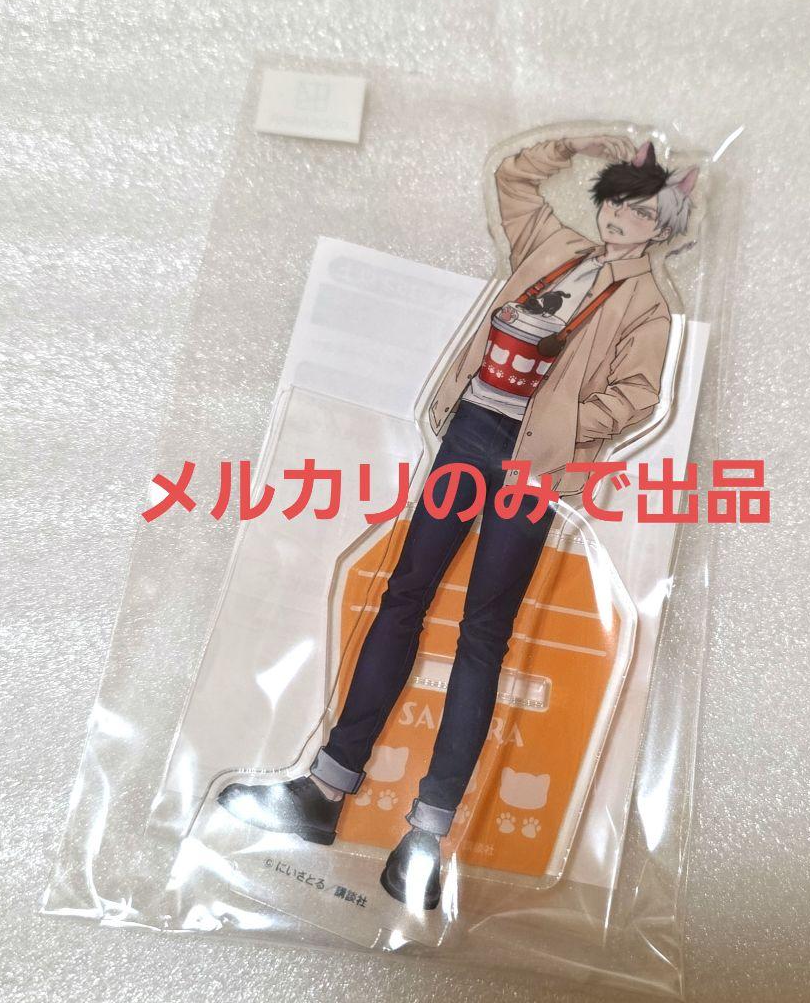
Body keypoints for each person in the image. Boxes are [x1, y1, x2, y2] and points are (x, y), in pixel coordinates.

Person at [218, 134, 698, 910]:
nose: (620, 218)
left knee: (483, 633)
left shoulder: (649, 303)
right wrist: (576, 145)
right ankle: (327, 788)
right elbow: (513, 177)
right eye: (615, 201)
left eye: (641, 212)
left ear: (663, 227)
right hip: (470, 431)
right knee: (404, 593)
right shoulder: (555, 244)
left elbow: (639, 396)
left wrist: (562, 427)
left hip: (530, 466)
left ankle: (426, 835)